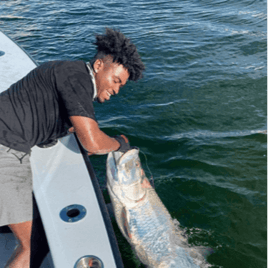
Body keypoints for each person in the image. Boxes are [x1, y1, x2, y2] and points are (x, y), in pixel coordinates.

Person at [0, 28, 145, 268]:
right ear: (99, 65)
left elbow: (76, 137)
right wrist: (120, 145)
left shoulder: (67, 73)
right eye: (116, 80)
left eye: (122, 86)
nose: (117, 89)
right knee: (34, 244)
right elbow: (93, 142)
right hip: (5, 147)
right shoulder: (77, 78)